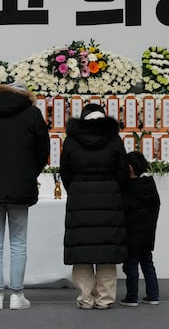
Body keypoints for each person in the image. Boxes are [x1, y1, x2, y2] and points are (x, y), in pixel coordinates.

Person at [0, 82, 50, 310]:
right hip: (20, 184)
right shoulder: (33, 114)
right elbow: (43, 150)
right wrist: (29, 173)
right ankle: (17, 295)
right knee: (19, 242)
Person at [60, 103, 129, 310]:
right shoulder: (114, 140)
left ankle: (85, 298)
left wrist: (74, 188)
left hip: (80, 196)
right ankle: (105, 299)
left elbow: (65, 170)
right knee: (107, 250)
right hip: (109, 196)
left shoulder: (71, 141)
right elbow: (122, 170)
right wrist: (114, 188)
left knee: (82, 251)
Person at [120, 151, 161, 307]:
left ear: (129, 168)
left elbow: (124, 210)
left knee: (131, 266)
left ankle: (132, 297)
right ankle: (153, 295)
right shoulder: (150, 185)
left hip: (131, 234)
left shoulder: (127, 188)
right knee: (148, 264)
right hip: (147, 233)